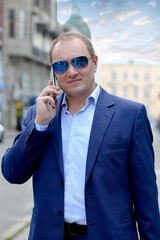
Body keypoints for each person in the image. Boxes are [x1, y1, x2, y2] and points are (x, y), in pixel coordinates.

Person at [1, 32, 160, 240]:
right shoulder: (39, 115)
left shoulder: (131, 115)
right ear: (53, 73)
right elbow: (13, 173)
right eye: (61, 65)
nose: (72, 71)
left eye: (80, 61)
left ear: (94, 63)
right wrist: (39, 125)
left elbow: (146, 197)